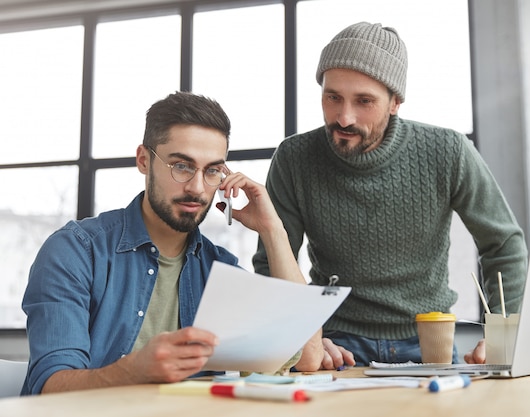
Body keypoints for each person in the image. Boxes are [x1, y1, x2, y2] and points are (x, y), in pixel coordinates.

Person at [252, 22, 528, 369]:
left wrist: (505, 332)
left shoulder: (448, 151)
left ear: (395, 102)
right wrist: (307, 337)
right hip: (337, 344)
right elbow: (272, 262)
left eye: (364, 101)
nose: (344, 116)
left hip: (429, 339)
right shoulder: (294, 159)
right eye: (332, 97)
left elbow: (502, 244)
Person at [21, 91, 320, 395]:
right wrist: (135, 371)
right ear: (143, 160)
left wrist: (273, 230)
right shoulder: (75, 251)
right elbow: (50, 388)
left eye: (213, 170)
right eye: (181, 166)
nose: (197, 188)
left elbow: (308, 356)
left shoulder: (221, 269)